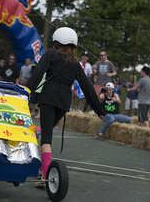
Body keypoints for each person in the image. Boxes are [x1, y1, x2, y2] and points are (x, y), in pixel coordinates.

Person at [25, 27, 105, 188]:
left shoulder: (50, 55)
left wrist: (24, 92)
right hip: (64, 102)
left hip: (49, 96)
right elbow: (87, 87)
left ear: (56, 41)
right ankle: (42, 166)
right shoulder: (74, 63)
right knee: (47, 130)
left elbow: (37, 75)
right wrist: (100, 112)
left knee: (47, 137)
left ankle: (45, 176)